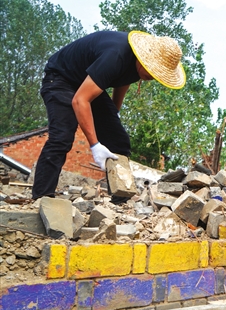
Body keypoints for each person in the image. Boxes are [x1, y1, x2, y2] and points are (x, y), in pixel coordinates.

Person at [32, 31, 186, 200]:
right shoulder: (115, 56)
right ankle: (42, 197)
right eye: (151, 71)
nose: (151, 77)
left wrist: (112, 115)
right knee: (62, 136)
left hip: (89, 81)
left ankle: (120, 198)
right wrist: (95, 145)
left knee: (118, 140)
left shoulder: (136, 64)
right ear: (143, 58)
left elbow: (123, 81)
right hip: (61, 78)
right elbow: (80, 100)